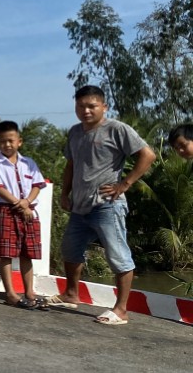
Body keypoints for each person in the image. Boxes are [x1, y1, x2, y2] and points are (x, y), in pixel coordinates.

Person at [53, 85, 156, 325]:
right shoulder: (75, 132)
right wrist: (64, 193)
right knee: (70, 249)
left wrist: (125, 184)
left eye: (92, 106)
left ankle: (121, 310)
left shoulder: (117, 129)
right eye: (81, 106)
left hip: (107, 204)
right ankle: (71, 294)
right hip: (80, 206)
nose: (86, 111)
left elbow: (148, 155)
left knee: (118, 256)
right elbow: (71, 165)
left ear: (104, 107)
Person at [0, 121, 47, 308]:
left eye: (11, 140)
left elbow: (37, 185)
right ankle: (10, 293)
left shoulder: (29, 163)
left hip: (28, 211)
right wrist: (20, 204)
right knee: (6, 253)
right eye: (2, 141)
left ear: (19, 141)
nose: (7, 145)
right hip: (7, 210)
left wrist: (27, 202)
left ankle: (29, 291)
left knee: (27, 253)